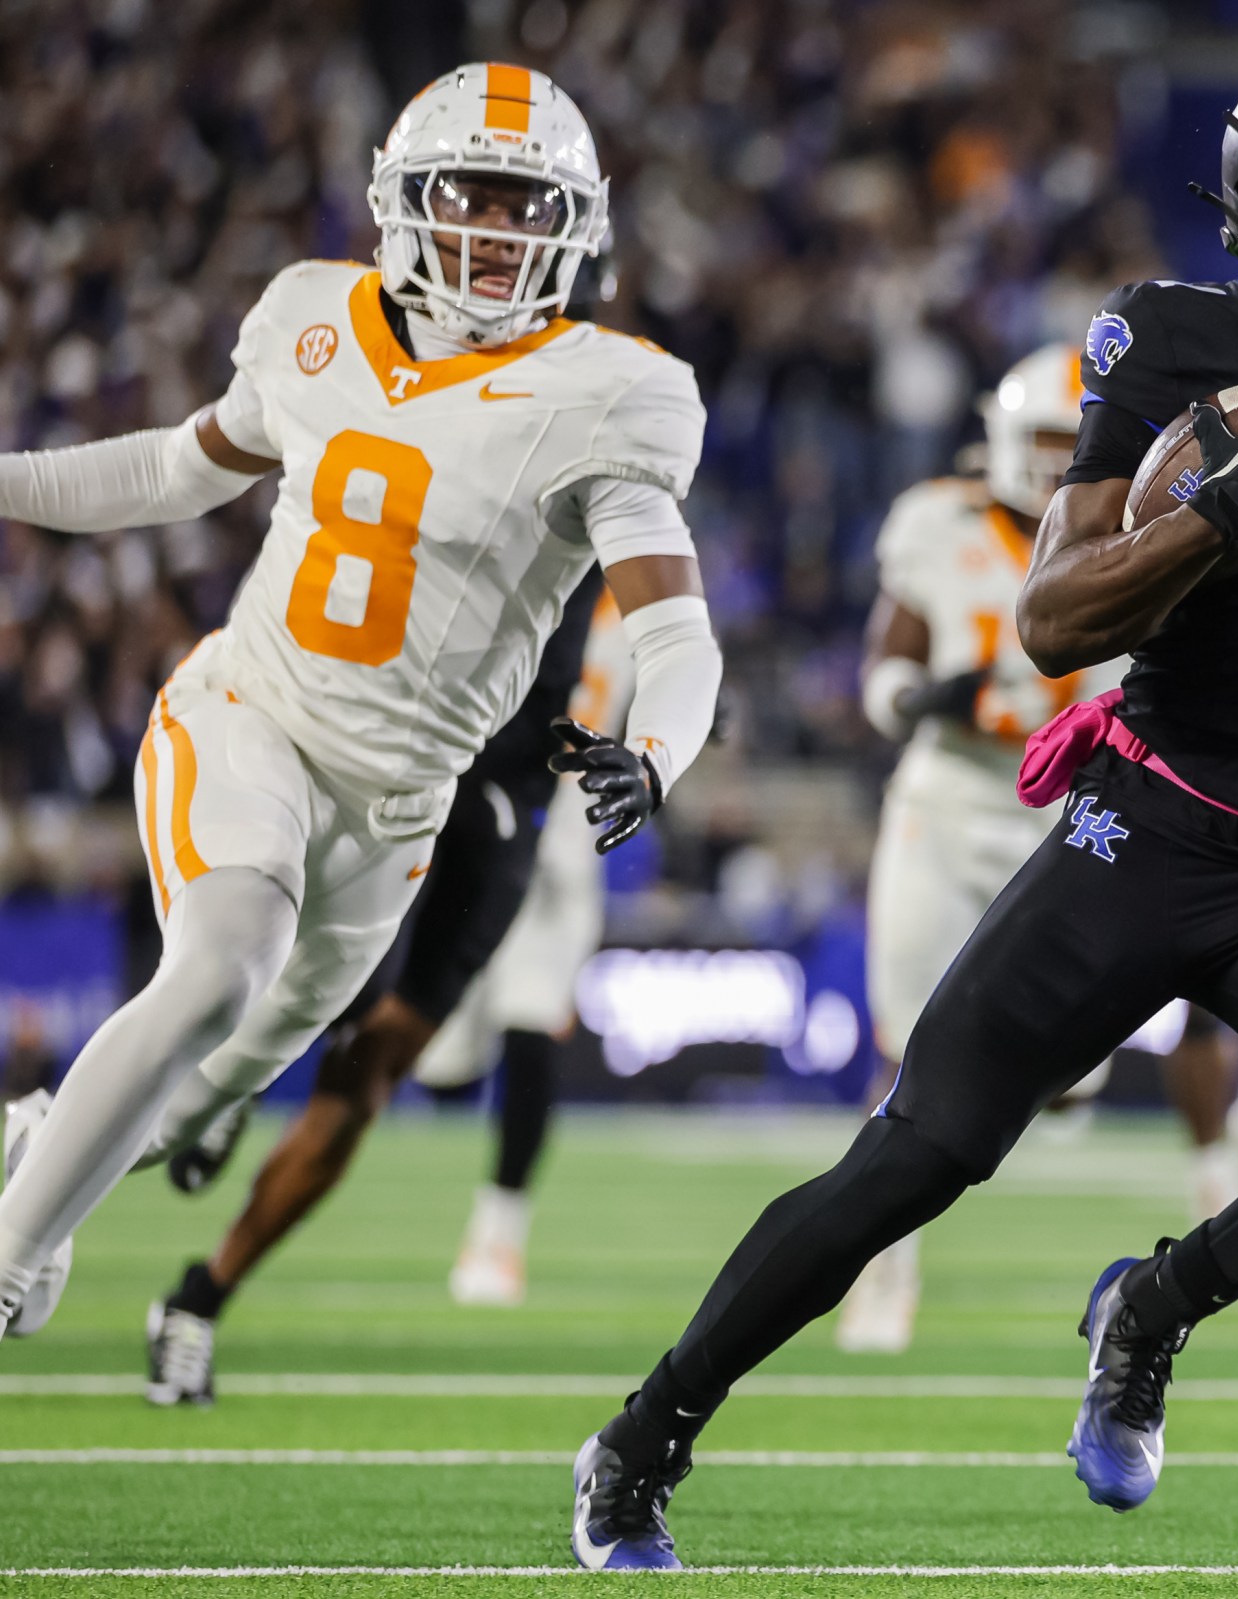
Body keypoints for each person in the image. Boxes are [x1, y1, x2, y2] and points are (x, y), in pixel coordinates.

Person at [569, 37, 1238, 1570]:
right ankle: (646, 1430)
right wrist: (1199, 531)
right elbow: (1053, 619)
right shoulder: (1175, 338)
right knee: (919, 1154)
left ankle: (1154, 1306)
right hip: (1149, 824)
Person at [0, 64, 720, 1340]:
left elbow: (674, 628)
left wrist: (655, 750)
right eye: (474, 199)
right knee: (219, 963)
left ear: (578, 227)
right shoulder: (312, 320)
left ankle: (39, 1137)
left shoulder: (609, 395)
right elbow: (176, 467)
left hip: (395, 815)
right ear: (406, 202)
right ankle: (12, 1266)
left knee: (195, 1101)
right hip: (253, 717)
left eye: (528, 207)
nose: (499, 235)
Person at [836, 345, 1238, 1355]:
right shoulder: (936, 520)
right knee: (905, 1052)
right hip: (949, 803)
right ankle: (881, 1274)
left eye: (1078, 438)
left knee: (1066, 1078)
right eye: (1046, 439)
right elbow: (883, 672)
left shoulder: (1151, 523)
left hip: (1076, 809)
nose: (1060, 457)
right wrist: (929, 699)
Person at [140, 577, 611, 1405]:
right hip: (398, 766)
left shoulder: (620, 495)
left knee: (372, 1070)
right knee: (329, 990)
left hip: (507, 805)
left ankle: (199, 1299)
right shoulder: (487, 462)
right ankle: (234, 1080)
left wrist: (674, 721)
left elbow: (674, 618)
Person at [423, 592, 633, 1308]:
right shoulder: (524, 568)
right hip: (476, 828)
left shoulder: (647, 590)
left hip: (564, 841)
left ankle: (497, 1234)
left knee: (532, 1032)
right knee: (441, 1071)